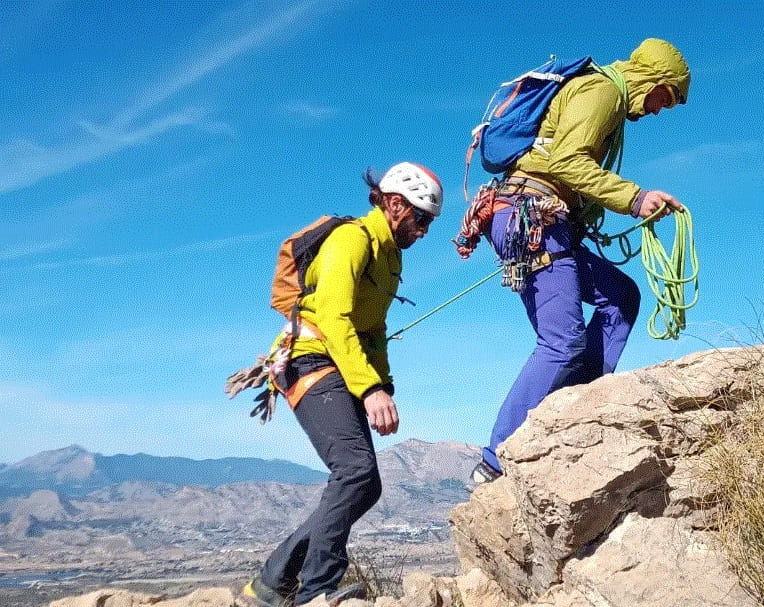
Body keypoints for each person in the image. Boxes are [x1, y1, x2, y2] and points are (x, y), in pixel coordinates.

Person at [472, 38, 691, 483]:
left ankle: (575, 410)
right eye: (664, 96)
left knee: (620, 295)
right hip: (529, 213)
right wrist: (635, 198)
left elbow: (568, 166)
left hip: (544, 219)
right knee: (562, 341)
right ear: (650, 79)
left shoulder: (605, 96)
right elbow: (569, 162)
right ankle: (495, 461)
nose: (660, 109)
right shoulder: (603, 91)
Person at [242, 162, 443, 607]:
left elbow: (372, 330)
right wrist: (369, 390)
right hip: (307, 357)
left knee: (365, 484)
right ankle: (315, 591)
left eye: (430, 221)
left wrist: (383, 385)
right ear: (395, 204)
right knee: (355, 472)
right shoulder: (352, 239)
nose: (425, 231)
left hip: (337, 365)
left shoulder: (390, 258)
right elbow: (333, 317)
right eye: (421, 218)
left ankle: (273, 583)